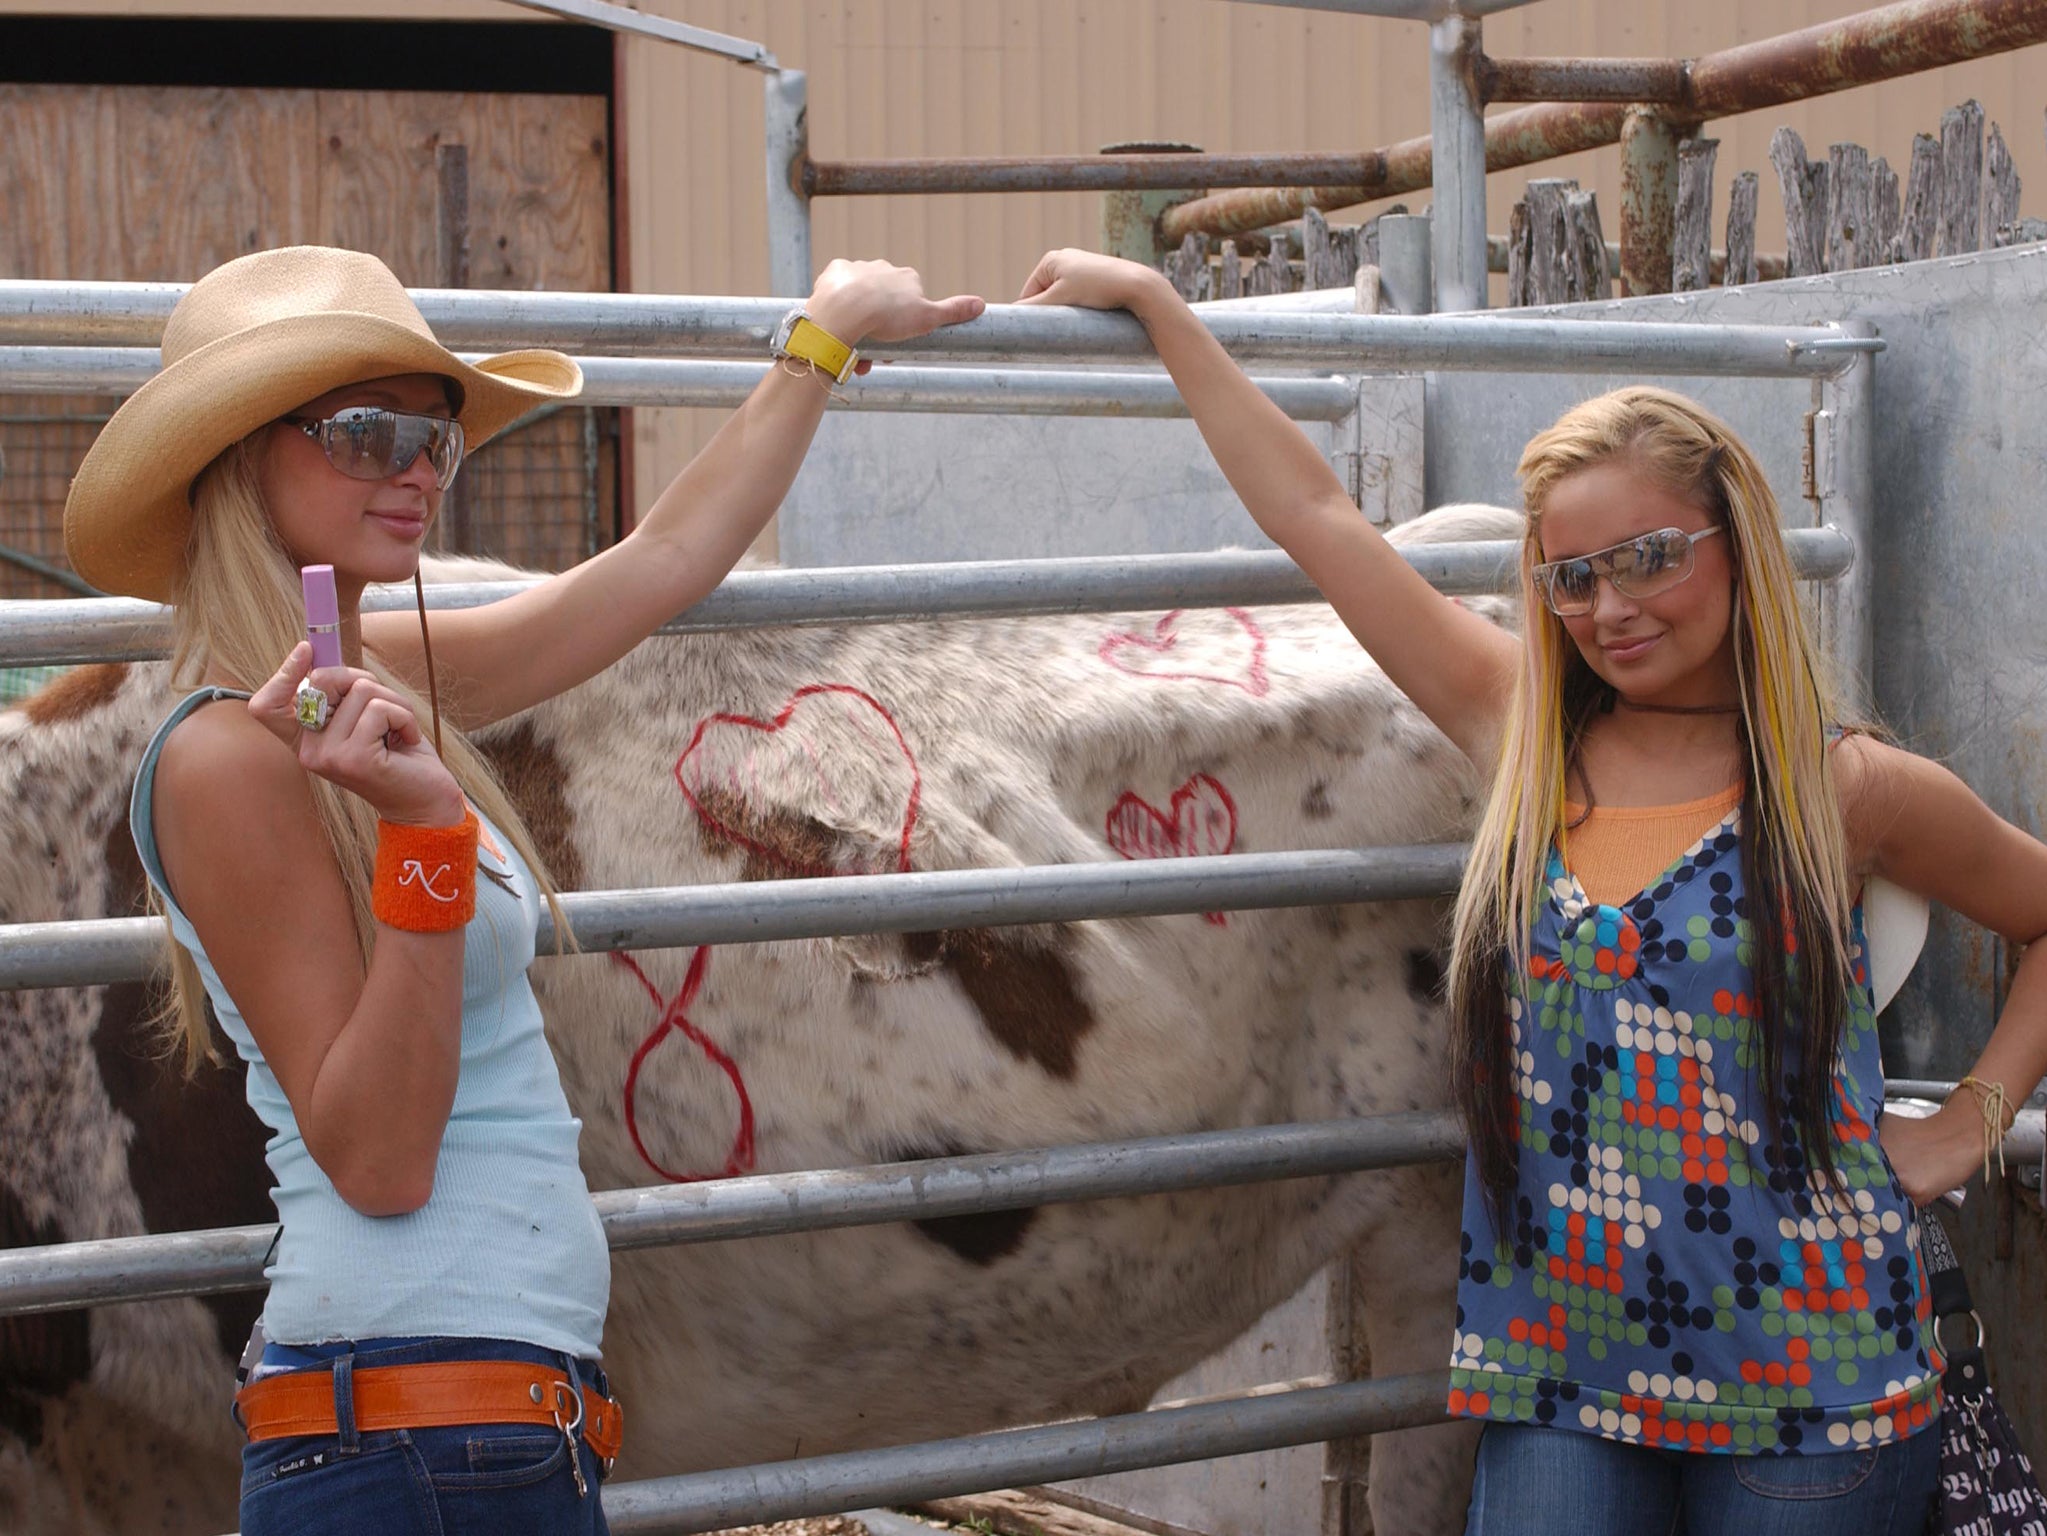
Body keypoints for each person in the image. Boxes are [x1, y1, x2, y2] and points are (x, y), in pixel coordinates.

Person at [1015, 248, 2047, 1534]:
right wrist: (1166, 313)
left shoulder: (1848, 789)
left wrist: (1973, 1119)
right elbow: (1318, 522)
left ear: (1737, 545)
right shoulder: (1520, 733)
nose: (1608, 608)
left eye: (1648, 557)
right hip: (1564, 1362)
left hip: (1814, 1370)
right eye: (1571, 578)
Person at [63, 243, 981, 1534]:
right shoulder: (227, 753)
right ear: (236, 454)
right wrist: (429, 833)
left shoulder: (371, 682)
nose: (417, 473)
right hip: (411, 1427)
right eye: (366, 433)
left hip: (467, 1420)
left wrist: (817, 347)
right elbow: (376, 1157)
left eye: (438, 442)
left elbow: (662, 561)